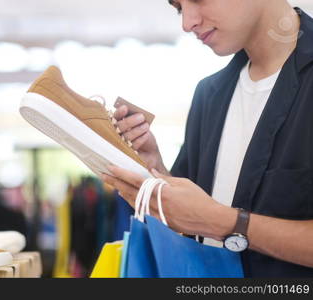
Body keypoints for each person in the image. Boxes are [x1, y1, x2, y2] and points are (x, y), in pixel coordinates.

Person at [101, 0, 313, 277]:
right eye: (179, 8)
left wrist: (224, 222)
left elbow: (209, 219)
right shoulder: (209, 95)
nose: (187, 22)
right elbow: (190, 224)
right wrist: (154, 169)